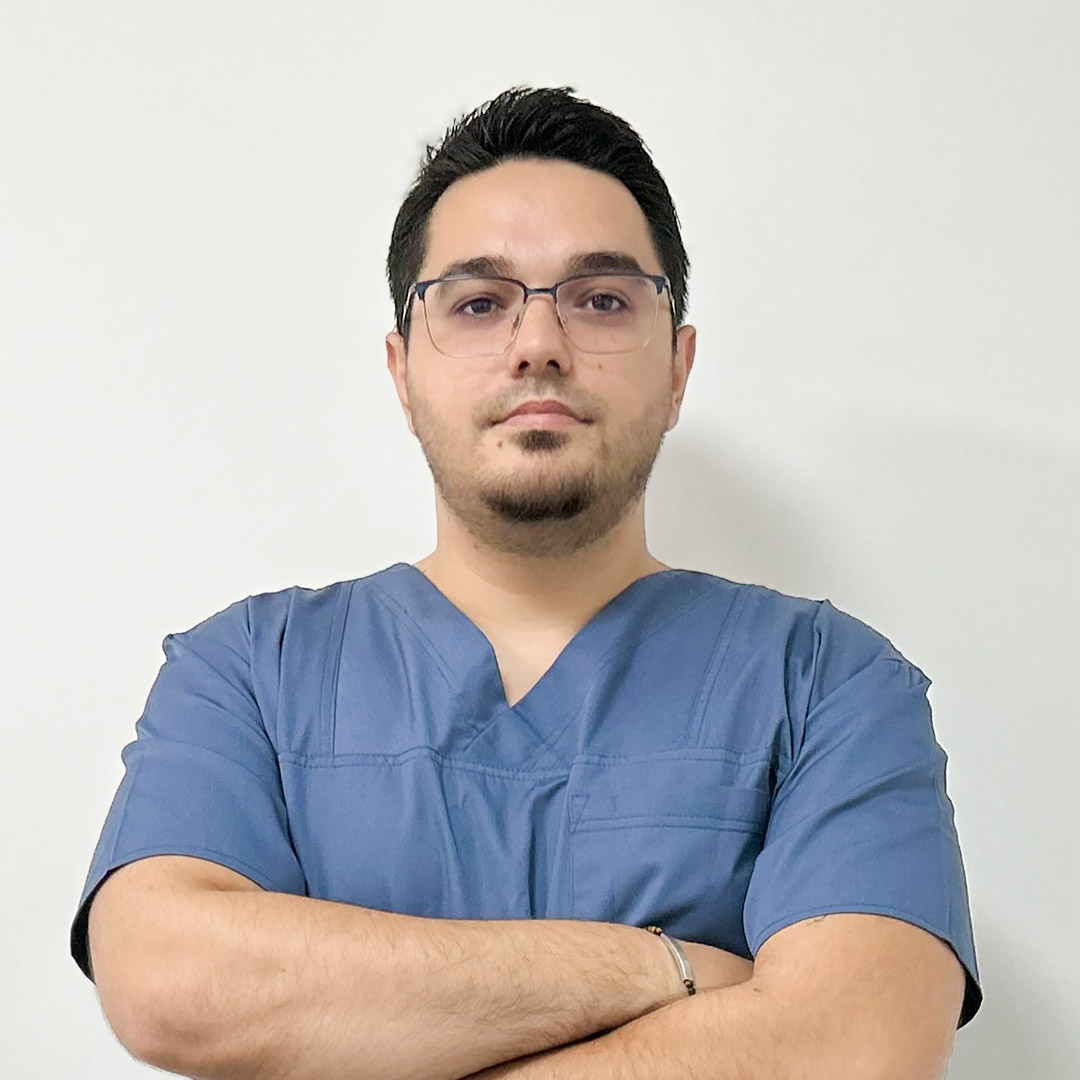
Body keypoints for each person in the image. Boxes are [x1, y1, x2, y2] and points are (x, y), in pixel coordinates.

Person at [71, 86, 982, 1079]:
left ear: (677, 367)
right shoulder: (249, 672)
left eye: (601, 299)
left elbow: (852, 1046)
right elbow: (170, 981)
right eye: (477, 303)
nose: (539, 343)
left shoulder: (828, 686)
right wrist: (665, 969)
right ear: (402, 372)